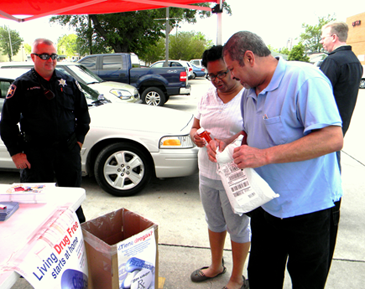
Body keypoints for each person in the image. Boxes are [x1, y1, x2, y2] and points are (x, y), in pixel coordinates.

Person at [207, 31, 343, 289]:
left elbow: (332, 138)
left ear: (249, 58)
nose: (232, 77)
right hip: (266, 206)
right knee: (262, 276)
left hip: (309, 208)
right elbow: (251, 132)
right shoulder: (248, 93)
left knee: (307, 281)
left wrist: (265, 155)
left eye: (233, 69)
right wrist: (229, 145)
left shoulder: (305, 79)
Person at [0, 38, 90, 223]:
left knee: (72, 201)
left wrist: (78, 142)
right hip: (36, 154)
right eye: (44, 55)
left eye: (53, 56)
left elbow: (83, 115)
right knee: (36, 205)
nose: (50, 60)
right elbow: (7, 123)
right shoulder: (22, 85)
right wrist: (16, 153)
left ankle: (76, 236)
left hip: (67, 151)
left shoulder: (69, 82)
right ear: (33, 57)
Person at [189, 45, 250, 289]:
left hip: (236, 173)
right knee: (214, 221)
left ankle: (236, 277)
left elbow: (257, 134)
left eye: (222, 73)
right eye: (211, 75)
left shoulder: (248, 95)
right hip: (207, 171)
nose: (217, 80)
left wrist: (231, 144)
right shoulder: (206, 96)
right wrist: (196, 135)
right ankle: (216, 265)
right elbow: (195, 127)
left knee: (237, 225)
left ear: (232, 67)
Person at [319, 21, 363, 272]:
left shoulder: (333, 62)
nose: (323, 42)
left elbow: (316, 95)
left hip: (324, 131)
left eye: (324, 37)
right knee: (334, 170)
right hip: (340, 129)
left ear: (334, 37)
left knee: (325, 173)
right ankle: (332, 207)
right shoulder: (354, 62)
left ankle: (328, 211)